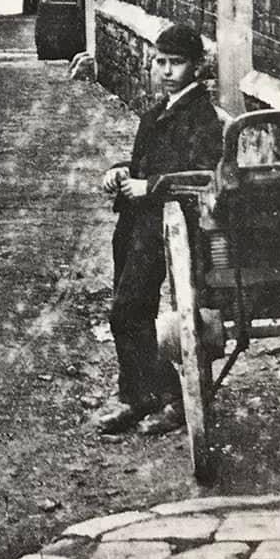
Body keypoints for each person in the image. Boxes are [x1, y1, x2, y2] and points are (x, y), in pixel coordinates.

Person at [95, 22, 224, 437]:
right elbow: (144, 164)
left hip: (179, 228)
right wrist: (120, 173)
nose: (167, 71)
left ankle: (171, 398)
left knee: (145, 310)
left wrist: (149, 186)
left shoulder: (202, 117)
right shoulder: (156, 114)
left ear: (196, 67)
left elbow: (203, 174)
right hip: (142, 223)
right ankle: (138, 394)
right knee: (128, 309)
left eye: (177, 63)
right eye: (161, 62)